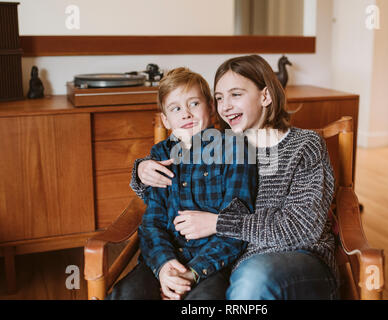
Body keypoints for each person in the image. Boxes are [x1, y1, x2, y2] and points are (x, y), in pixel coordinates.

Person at [132, 55, 339, 300]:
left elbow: (302, 229)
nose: (225, 106)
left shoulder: (304, 145)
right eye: (219, 98)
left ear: (265, 96)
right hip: (235, 262)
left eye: (236, 94)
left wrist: (218, 223)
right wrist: (141, 170)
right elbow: (171, 193)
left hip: (300, 258)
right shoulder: (221, 146)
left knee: (251, 281)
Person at [107, 67, 258, 300]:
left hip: (212, 263)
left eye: (194, 104)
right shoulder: (160, 155)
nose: (186, 114)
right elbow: (152, 223)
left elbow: (236, 223)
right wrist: (165, 266)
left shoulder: (235, 149)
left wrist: (193, 272)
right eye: (176, 108)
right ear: (166, 120)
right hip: (164, 257)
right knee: (126, 294)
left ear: (210, 107)